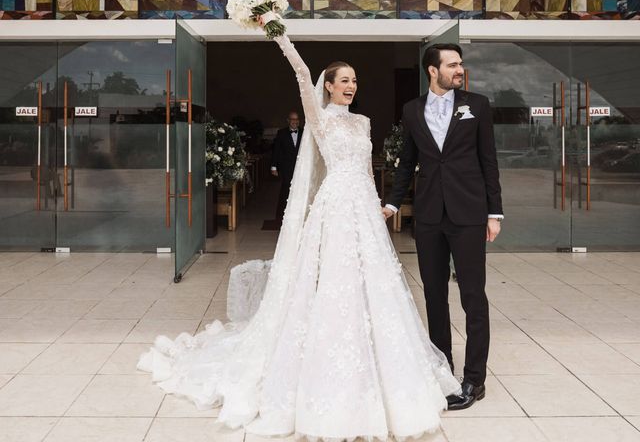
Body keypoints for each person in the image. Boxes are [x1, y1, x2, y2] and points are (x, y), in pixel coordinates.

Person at [138, 27, 460, 440]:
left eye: (355, 81)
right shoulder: (320, 118)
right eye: (343, 80)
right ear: (327, 86)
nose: (351, 86)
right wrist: (280, 35)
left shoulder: (362, 122)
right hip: (334, 209)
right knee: (330, 283)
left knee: (372, 285)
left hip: (362, 208)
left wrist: (379, 204)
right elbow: (301, 74)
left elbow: (363, 169)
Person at [382, 43, 503, 410]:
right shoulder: (411, 110)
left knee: (472, 296)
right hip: (430, 216)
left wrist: (493, 213)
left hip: (469, 214)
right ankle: (443, 369)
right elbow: (407, 162)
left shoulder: (477, 105)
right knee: (434, 295)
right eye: (452, 65)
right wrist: (390, 203)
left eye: (460, 64)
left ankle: (474, 379)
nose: (459, 70)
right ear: (432, 71)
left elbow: (489, 161)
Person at [270, 111, 303, 223]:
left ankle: (297, 215)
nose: (295, 121)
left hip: (300, 168)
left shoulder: (304, 132)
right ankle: (281, 216)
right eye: (292, 119)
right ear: (288, 120)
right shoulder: (281, 133)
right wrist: (274, 166)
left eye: (296, 119)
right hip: (286, 167)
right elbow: (276, 150)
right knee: (285, 191)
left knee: (300, 191)